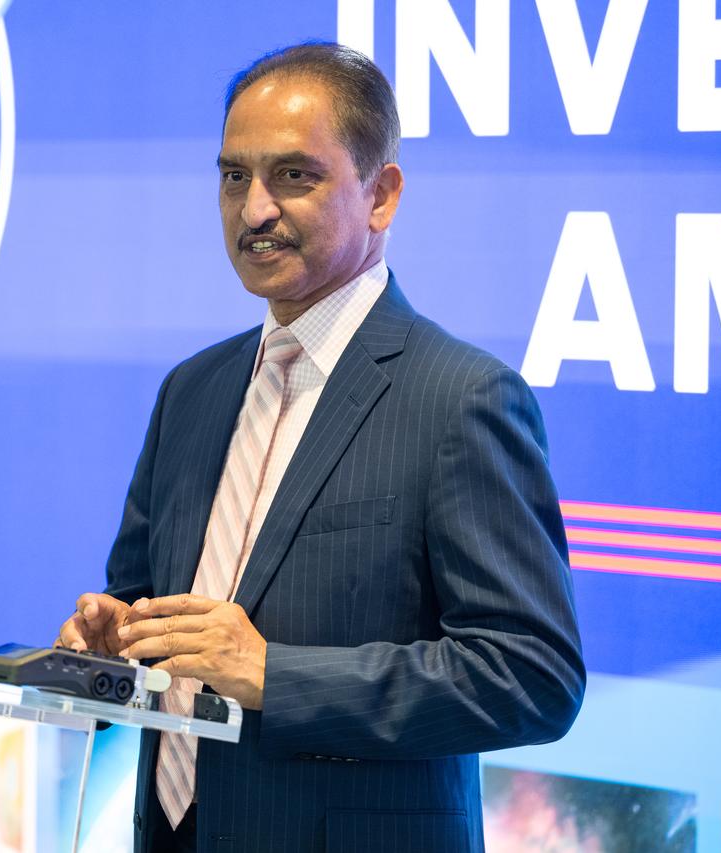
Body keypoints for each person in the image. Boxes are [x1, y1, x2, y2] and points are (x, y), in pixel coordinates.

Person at [57, 42, 584, 853]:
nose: (254, 210)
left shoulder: (460, 397)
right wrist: (110, 641)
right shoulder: (191, 390)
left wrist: (275, 675)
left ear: (382, 195)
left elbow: (532, 676)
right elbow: (143, 605)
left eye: (293, 176)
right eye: (234, 176)